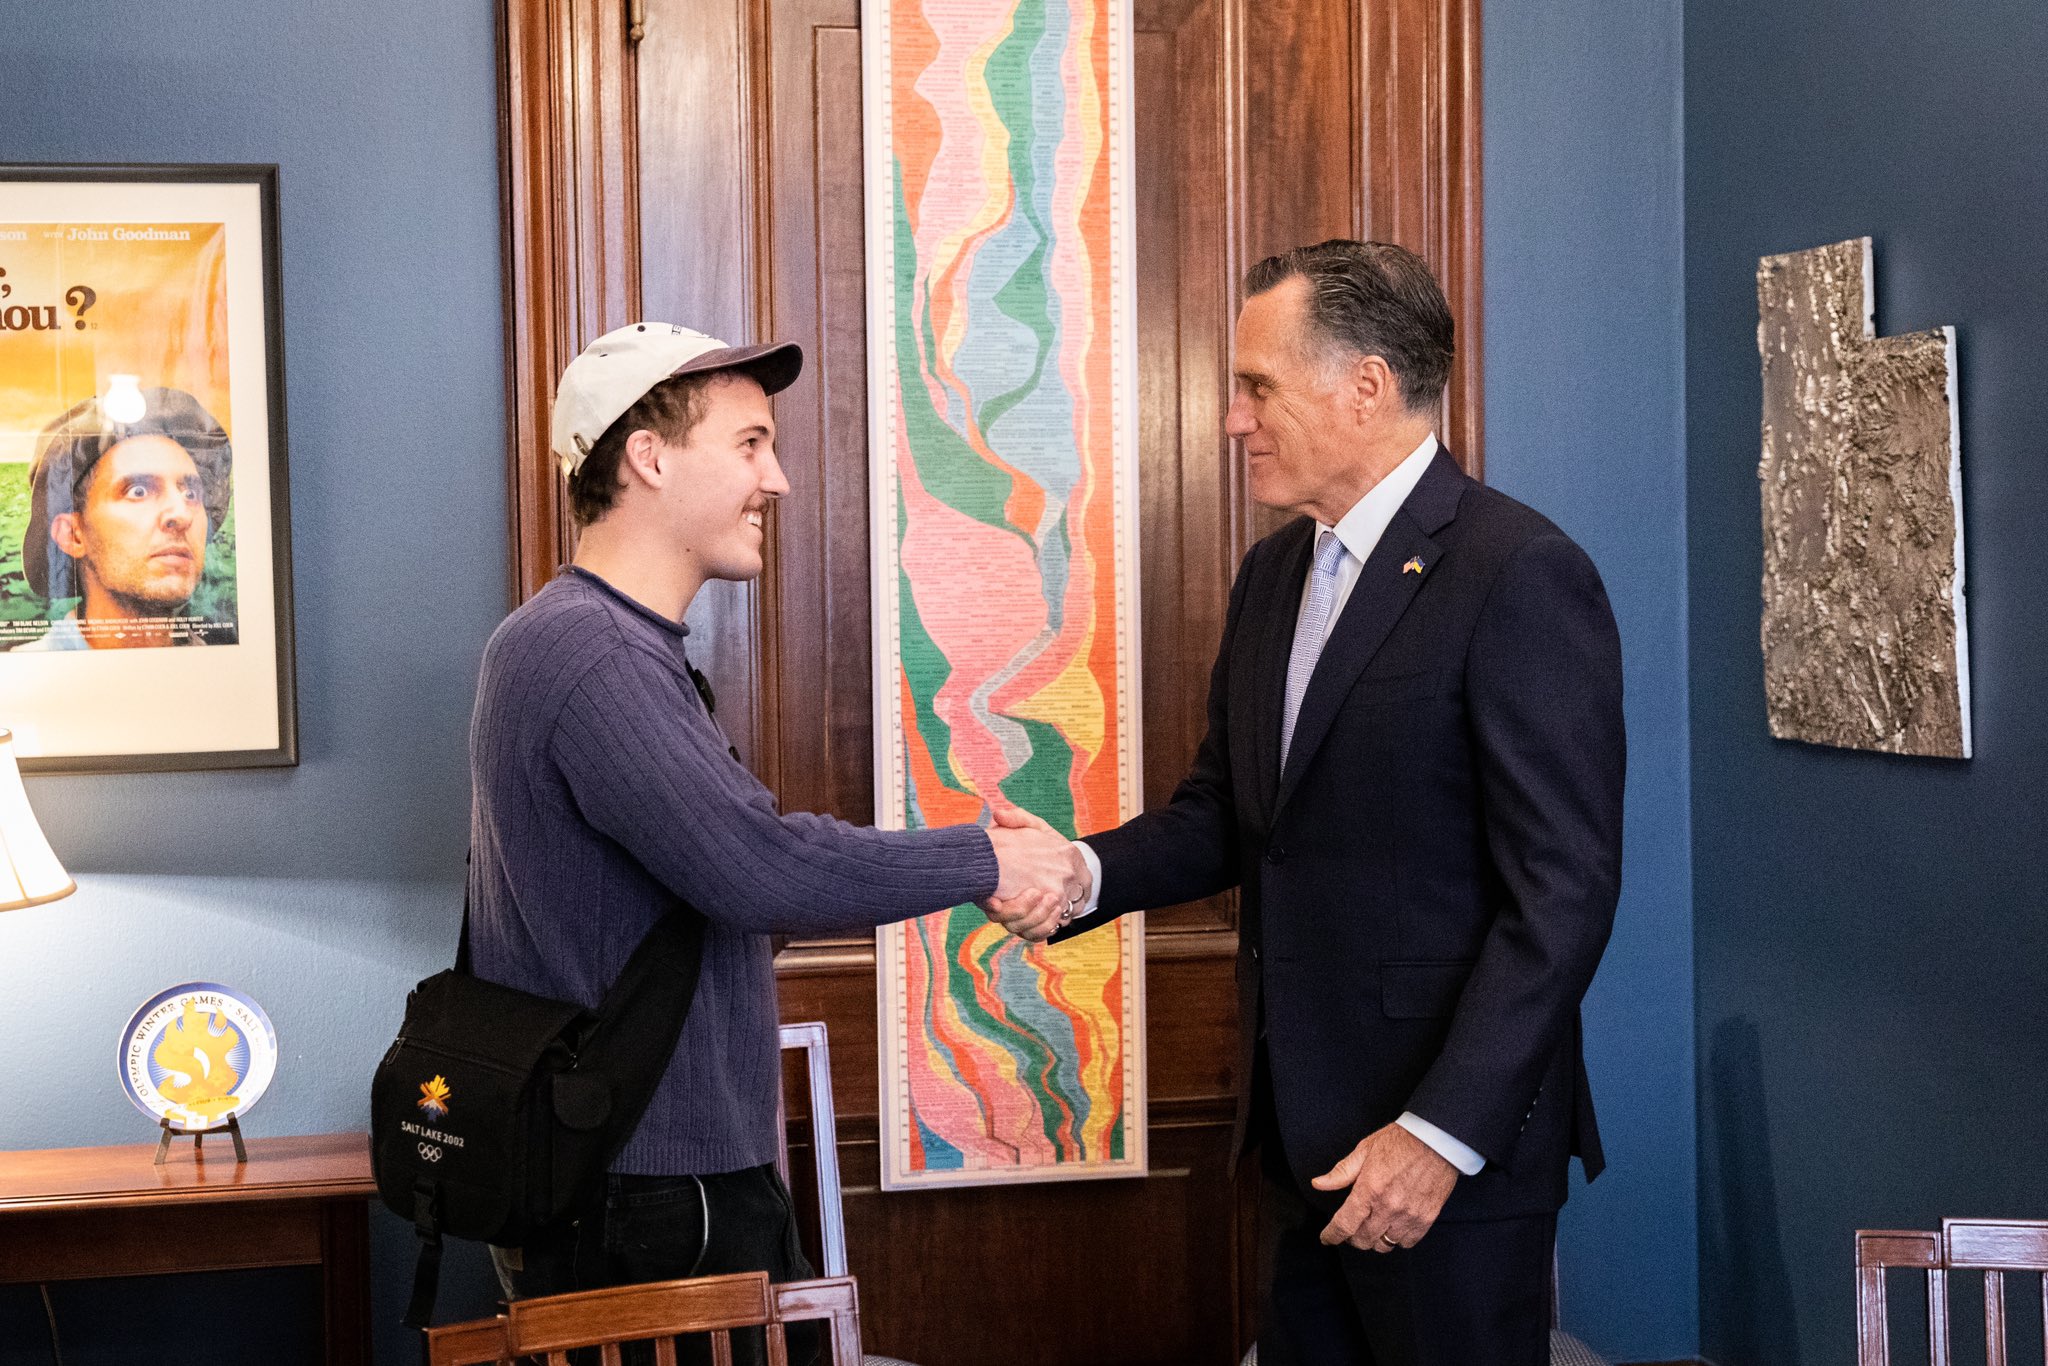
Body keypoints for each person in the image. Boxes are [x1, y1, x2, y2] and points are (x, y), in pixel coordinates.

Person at [1047, 241, 1625, 1364]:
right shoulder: (1273, 575)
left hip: (1440, 1157)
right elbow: (1229, 814)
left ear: (1363, 385)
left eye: (1255, 385)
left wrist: (1436, 1134)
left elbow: (1561, 895)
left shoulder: (1515, 571)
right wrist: (1083, 872)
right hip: (1299, 1138)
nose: (1231, 418)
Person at [467, 322, 1087, 1365]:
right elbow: (761, 870)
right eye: (750, 444)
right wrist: (988, 857)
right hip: (651, 1196)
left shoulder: (605, 647)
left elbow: (711, 893)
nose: (780, 479)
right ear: (648, 458)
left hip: (658, 1180)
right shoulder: (588, 654)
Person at [13, 386, 234, 651]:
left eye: (190, 493)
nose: (182, 513)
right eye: (138, 491)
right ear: (73, 534)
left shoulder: (220, 664)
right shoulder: (31, 676)